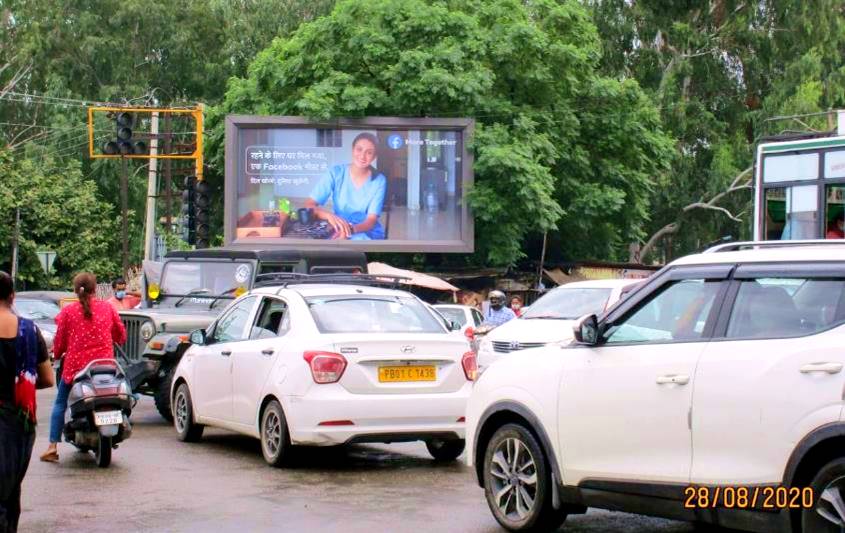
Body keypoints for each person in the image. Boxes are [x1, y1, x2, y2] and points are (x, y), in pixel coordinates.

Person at [40, 273, 126, 463]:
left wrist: (58, 351)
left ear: (75, 290)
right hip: (106, 367)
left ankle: (52, 446)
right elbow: (120, 333)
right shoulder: (107, 308)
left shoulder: (68, 312)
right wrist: (116, 339)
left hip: (76, 368)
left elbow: (60, 341)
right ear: (95, 289)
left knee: (60, 402)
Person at [0, 271, 54, 532]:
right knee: (9, 492)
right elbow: (46, 379)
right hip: (17, 421)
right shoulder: (29, 331)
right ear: (12, 296)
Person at [305, 132, 387, 240]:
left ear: (374, 157)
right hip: (338, 227)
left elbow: (371, 220)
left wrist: (349, 230)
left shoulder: (379, 180)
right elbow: (309, 204)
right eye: (359, 149)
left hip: (365, 231)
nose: (362, 156)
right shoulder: (335, 173)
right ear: (352, 149)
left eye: (369, 152)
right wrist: (328, 216)